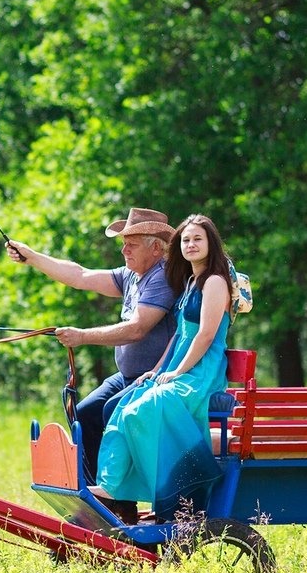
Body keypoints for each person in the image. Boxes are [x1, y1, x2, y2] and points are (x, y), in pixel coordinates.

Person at [6, 207, 177, 484]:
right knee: (84, 414)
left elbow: (137, 329)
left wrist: (82, 336)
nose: (124, 250)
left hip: (155, 379)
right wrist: (32, 257)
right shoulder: (131, 275)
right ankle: (95, 493)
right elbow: (80, 276)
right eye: (123, 244)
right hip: (128, 377)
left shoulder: (163, 276)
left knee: (111, 410)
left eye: (130, 244)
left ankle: (116, 496)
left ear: (156, 248)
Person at [94, 213, 233, 522]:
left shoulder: (214, 282)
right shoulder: (190, 282)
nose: (191, 244)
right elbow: (178, 337)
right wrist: (156, 370)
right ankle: (111, 486)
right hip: (178, 367)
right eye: (186, 240)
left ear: (211, 243)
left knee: (140, 411)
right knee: (125, 405)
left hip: (200, 373)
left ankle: (169, 491)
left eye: (198, 238)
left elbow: (205, 335)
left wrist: (176, 373)